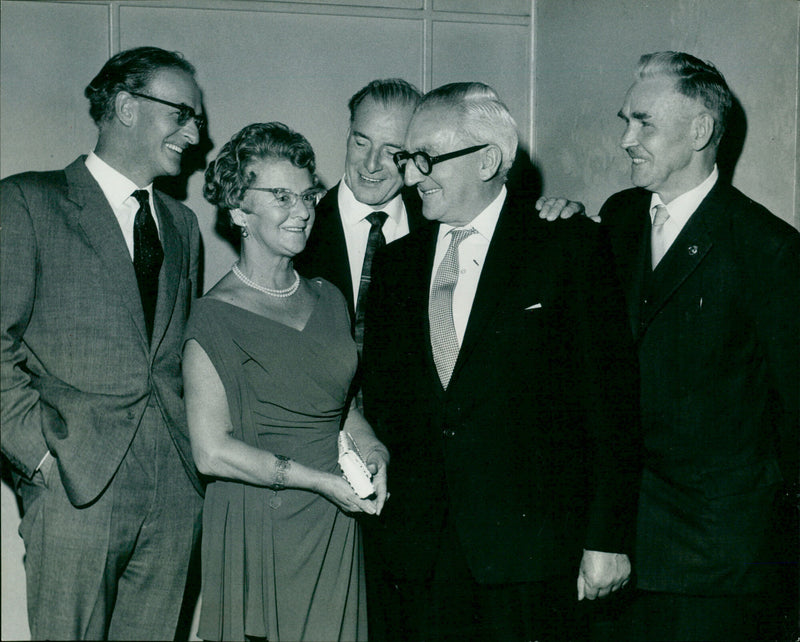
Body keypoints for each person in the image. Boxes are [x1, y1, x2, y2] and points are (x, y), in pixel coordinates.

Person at [361, 82, 641, 642]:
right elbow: (388, 403)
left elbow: (611, 404)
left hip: (531, 557)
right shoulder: (396, 265)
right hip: (419, 554)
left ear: (489, 159)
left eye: (425, 159)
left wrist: (607, 539)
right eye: (407, 159)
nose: (411, 177)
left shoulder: (568, 246)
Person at [543, 51, 800, 641]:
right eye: (624, 121)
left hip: (713, 565)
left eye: (644, 123)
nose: (626, 139)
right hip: (614, 543)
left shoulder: (767, 250)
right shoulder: (618, 218)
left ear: (701, 131)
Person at [0, 47, 205, 640]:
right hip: (74, 482)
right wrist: (38, 456)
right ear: (125, 107)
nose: (194, 133)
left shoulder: (182, 224)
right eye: (182, 114)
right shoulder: (27, 202)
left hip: (173, 485)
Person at [183, 122, 390, 642]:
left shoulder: (329, 297)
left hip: (334, 521)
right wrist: (321, 482)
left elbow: (339, 405)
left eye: (306, 195)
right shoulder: (214, 316)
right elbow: (211, 452)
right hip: (263, 520)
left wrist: (372, 447)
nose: (301, 210)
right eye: (280, 196)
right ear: (238, 211)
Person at [294, 78, 425, 351]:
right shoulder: (299, 226)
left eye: (391, 151)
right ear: (348, 134)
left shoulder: (436, 227)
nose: (371, 164)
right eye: (361, 143)